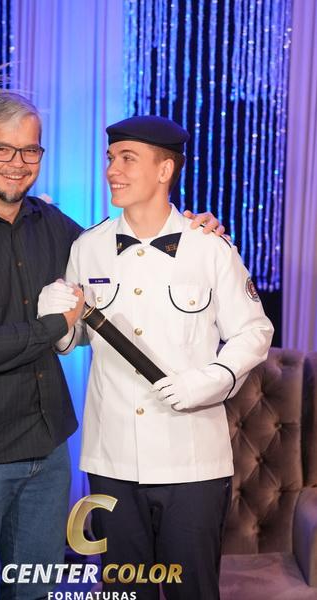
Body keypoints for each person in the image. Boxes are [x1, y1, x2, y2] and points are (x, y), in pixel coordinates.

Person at [0, 93, 225, 600]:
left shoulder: (53, 226)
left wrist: (191, 229)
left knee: (34, 590)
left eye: (30, 150)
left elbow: (127, 251)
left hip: (47, 448)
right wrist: (54, 325)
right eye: (2, 149)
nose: (17, 163)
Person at [40, 115, 274, 600]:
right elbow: (77, 337)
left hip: (192, 460)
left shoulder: (210, 248)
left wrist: (210, 379)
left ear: (165, 169)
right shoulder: (88, 247)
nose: (112, 170)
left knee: (192, 592)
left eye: (127, 159)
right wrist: (56, 322)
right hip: (111, 458)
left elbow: (254, 331)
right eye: (110, 158)